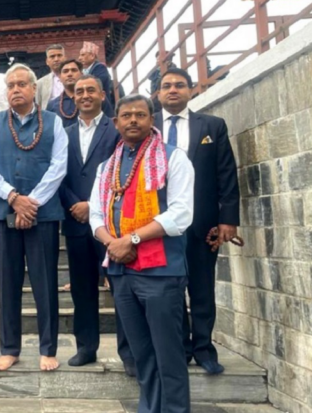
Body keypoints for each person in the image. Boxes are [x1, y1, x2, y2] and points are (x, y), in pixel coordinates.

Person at [90, 94, 194, 413]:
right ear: (116, 122)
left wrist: (131, 239)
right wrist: (113, 243)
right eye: (126, 115)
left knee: (169, 353)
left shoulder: (173, 158)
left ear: (152, 119)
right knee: (141, 354)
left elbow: (181, 214)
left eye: (140, 114)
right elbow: (95, 214)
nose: (133, 120)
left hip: (161, 271)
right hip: (121, 272)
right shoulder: (107, 167)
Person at [0, 63, 67, 372]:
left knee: (46, 282)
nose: (15, 89)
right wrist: (14, 198)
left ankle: (48, 348)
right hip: (4, 211)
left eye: (21, 84)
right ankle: (9, 348)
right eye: (11, 85)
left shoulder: (53, 122)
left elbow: (59, 166)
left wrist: (32, 203)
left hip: (43, 214)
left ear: (33, 88)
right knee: (8, 281)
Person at [155, 67, 240, 375]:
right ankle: (180, 348)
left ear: (190, 90)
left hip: (203, 222)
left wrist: (228, 219)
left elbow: (226, 173)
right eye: (167, 86)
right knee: (170, 290)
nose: (173, 90)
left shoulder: (212, 126)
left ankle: (204, 349)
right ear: (158, 93)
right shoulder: (148, 126)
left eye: (179, 85)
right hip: (159, 225)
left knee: (202, 287)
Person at [58, 76, 133, 371]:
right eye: (79, 91)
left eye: (91, 90)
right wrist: (74, 204)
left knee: (120, 289)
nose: (85, 95)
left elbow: (122, 171)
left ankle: (129, 353)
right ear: (73, 98)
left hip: (111, 225)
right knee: (82, 289)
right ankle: (86, 347)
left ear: (102, 95)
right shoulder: (63, 133)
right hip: (75, 221)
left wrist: (93, 205)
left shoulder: (115, 130)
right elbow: (58, 173)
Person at [78, 42, 115, 115]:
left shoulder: (100, 68)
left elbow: (95, 85)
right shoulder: (86, 70)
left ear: (92, 56)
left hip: (102, 110)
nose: (79, 58)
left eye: (83, 55)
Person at [34, 44, 65, 109]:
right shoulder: (40, 83)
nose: (56, 59)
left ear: (65, 58)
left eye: (59, 55)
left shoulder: (75, 78)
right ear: (47, 61)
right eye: (52, 56)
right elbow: (38, 106)